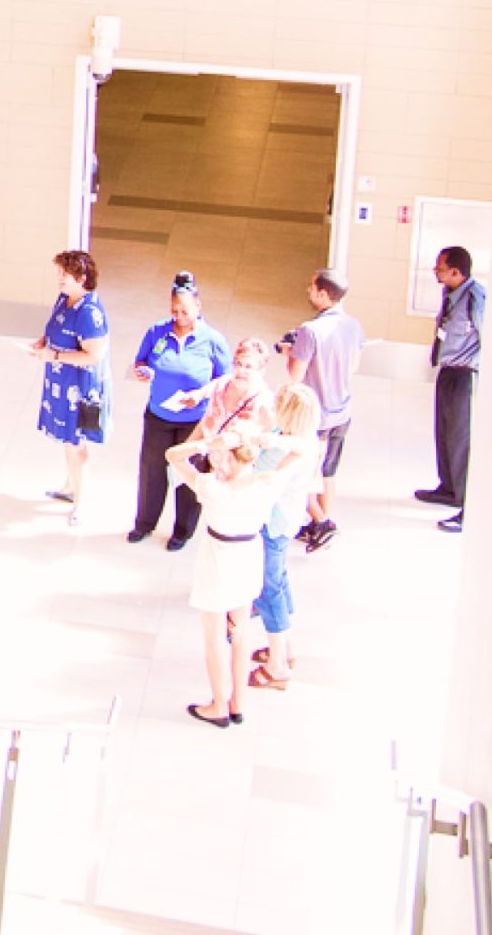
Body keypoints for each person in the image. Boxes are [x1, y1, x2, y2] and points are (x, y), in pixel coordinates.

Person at [167, 420, 286, 728]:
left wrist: (205, 444)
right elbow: (301, 452)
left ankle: (218, 703)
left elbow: (172, 456)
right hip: (249, 557)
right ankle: (238, 702)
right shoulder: (266, 484)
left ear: (233, 456)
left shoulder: (212, 488)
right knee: (241, 632)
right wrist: (266, 440)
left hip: (217, 561)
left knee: (214, 638)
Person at [128, 273, 232, 551]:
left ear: (199, 308)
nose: (179, 316)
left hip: (194, 421)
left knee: (189, 474)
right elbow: (140, 360)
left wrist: (200, 394)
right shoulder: (157, 331)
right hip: (159, 415)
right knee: (152, 470)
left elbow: (225, 379)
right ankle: (144, 523)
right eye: (174, 310)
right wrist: (142, 371)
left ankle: (182, 531)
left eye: (185, 311)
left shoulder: (212, 340)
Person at [245, 386, 324, 692]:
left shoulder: (281, 450)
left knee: (269, 589)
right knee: (279, 580)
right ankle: (285, 648)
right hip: (287, 520)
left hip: (271, 523)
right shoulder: (305, 440)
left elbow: (258, 478)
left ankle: (277, 665)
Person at [281, 268, 365, 552]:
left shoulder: (310, 330)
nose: (308, 291)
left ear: (325, 295)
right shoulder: (354, 326)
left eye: (313, 288)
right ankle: (320, 523)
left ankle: (323, 522)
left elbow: (295, 374)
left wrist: (289, 352)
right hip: (342, 411)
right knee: (328, 472)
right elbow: (354, 366)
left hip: (315, 416)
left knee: (301, 472)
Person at [29, 249, 111, 510]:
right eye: (59, 273)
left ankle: (81, 501)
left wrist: (53, 354)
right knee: (67, 439)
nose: (60, 279)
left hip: (82, 388)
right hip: (61, 381)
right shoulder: (65, 299)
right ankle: (69, 485)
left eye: (65, 274)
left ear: (82, 276)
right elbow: (54, 326)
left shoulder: (89, 313)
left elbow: (94, 356)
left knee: (77, 444)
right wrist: (43, 342)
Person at [418, 246, 484, 533]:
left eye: (440, 267)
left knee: (460, 436)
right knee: (444, 431)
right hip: (447, 370)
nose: (436, 271)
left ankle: (466, 500)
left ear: (457, 272)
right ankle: (449, 487)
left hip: (465, 374)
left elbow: (487, 336)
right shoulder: (450, 294)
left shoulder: (475, 298)